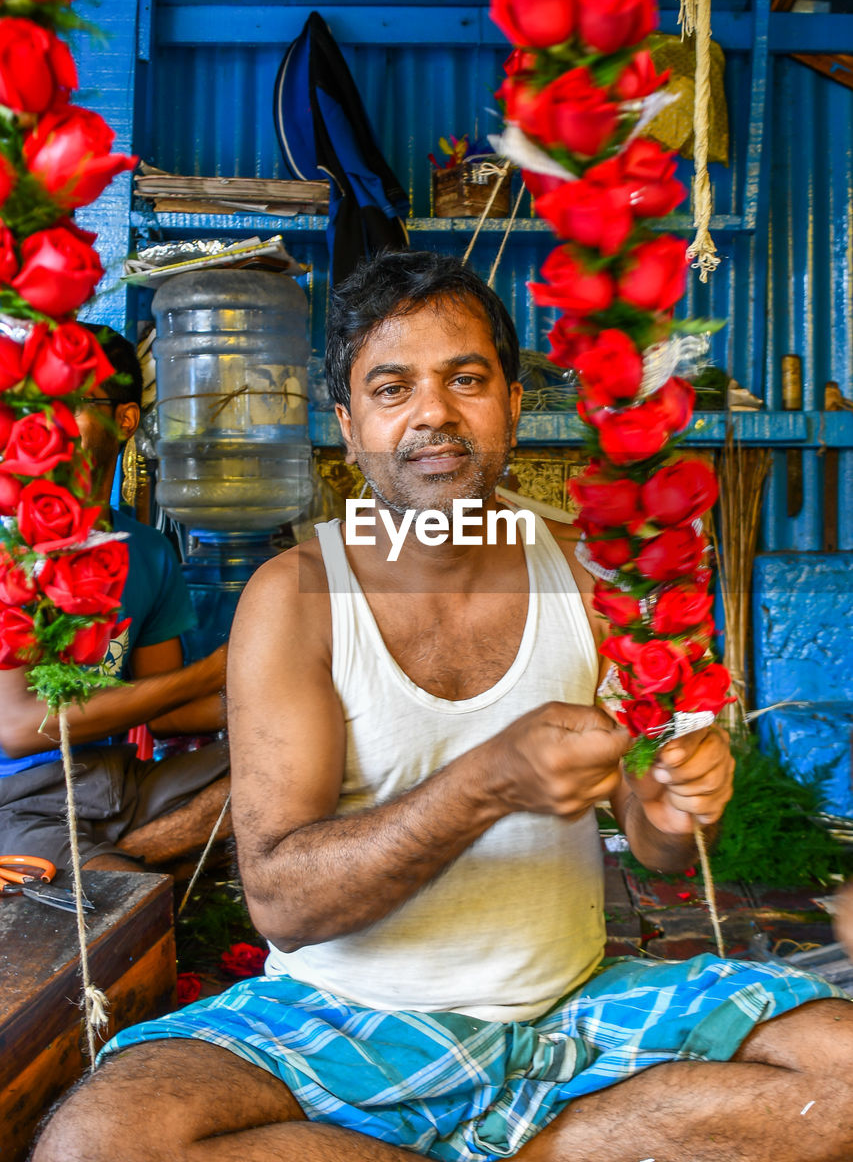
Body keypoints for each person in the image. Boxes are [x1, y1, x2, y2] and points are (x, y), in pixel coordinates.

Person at [36, 255, 852, 1162]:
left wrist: (664, 811)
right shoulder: (296, 594)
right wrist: (485, 783)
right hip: (340, 1019)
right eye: (392, 388)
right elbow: (278, 900)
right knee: (100, 1146)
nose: (432, 413)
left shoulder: (586, 577)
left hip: (567, 1010)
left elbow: (658, 850)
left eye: (465, 379)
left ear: (510, 402)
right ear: (349, 428)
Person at [0, 324, 229, 874]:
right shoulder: (9, 544)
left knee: (303, 764)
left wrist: (305, 691)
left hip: (115, 781)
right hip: (17, 802)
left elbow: (166, 711)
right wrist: (220, 668)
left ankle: (116, 863)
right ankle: (116, 872)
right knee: (122, 915)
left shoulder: (148, 552)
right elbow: (17, 728)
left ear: (124, 420)